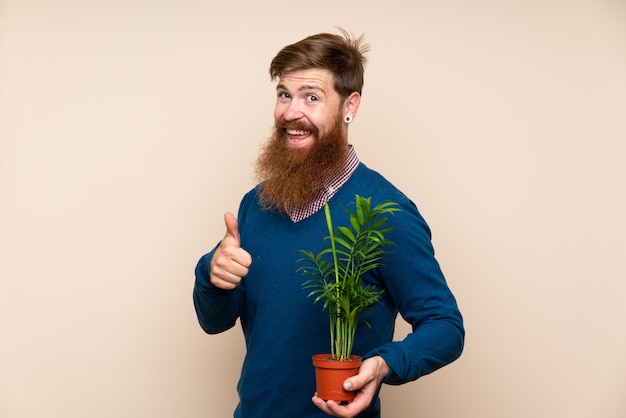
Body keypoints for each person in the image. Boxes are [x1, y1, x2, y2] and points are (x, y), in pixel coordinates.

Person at [193, 29, 464, 418]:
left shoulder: (386, 212)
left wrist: (386, 362)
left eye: (311, 97)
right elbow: (214, 322)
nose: (290, 113)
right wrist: (212, 274)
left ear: (349, 106)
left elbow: (445, 326)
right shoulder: (256, 204)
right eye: (284, 94)